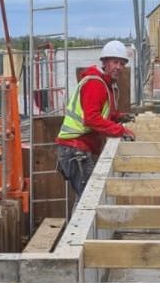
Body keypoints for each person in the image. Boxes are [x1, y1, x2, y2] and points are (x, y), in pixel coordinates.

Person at [56, 39, 136, 197]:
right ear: (105, 62)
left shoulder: (104, 83)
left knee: (86, 199)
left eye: (122, 64)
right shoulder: (95, 83)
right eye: (115, 62)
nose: (119, 67)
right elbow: (91, 119)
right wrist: (120, 130)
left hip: (76, 148)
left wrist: (118, 117)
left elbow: (101, 113)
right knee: (89, 199)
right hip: (74, 148)